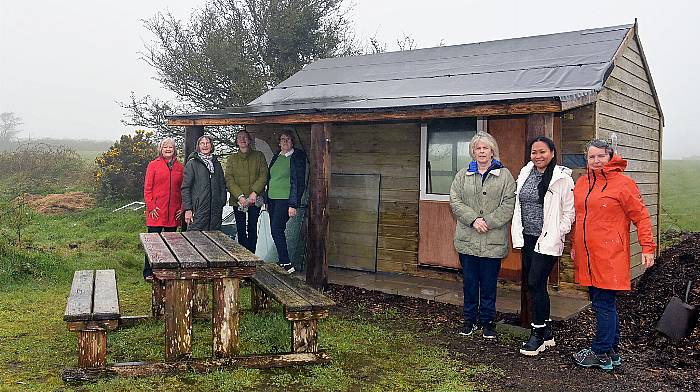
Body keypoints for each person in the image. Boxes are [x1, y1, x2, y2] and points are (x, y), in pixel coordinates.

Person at [571, 139, 656, 370]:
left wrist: (648, 247)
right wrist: (575, 246)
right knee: (604, 303)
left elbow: (641, 216)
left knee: (603, 304)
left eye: (601, 156)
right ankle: (611, 351)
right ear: (586, 159)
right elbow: (579, 219)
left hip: (610, 254)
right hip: (588, 254)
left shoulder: (623, 184)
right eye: (592, 157)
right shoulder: (582, 182)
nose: (596, 161)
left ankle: (599, 352)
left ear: (610, 157)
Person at [511, 136, 575, 356]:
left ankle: (536, 334)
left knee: (535, 281)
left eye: (542, 152)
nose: (538, 156)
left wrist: (560, 231)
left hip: (547, 239)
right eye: (534, 152)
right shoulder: (525, 173)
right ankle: (547, 332)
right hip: (528, 238)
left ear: (552, 153)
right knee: (536, 285)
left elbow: (569, 211)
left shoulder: (562, 179)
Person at [450, 131, 516, 339]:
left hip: (492, 241)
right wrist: (473, 219)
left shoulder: (505, 175)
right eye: (477, 148)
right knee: (469, 284)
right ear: (473, 151)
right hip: (467, 240)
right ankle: (469, 321)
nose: (481, 151)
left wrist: (488, 221)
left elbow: (509, 204)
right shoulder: (463, 175)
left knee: (488, 285)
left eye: (485, 148)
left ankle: (487, 322)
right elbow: (455, 200)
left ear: (492, 151)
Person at [143, 138, 184, 280]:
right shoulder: (153, 165)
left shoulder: (180, 167)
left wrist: (182, 208)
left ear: (174, 150)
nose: (168, 149)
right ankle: (148, 271)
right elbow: (147, 189)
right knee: (153, 243)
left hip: (173, 211)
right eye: (165, 147)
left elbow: (184, 189)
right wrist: (151, 206)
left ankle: (167, 271)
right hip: (156, 211)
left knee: (171, 243)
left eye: (170, 147)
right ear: (160, 149)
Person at [266, 130, 307, 273]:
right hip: (272, 198)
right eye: (282, 139)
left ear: (292, 142)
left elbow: (298, 182)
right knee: (277, 230)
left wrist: (293, 204)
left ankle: (286, 263)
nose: (285, 142)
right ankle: (283, 261)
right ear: (279, 142)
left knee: (276, 229)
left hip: (285, 200)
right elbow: (270, 178)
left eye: (288, 139)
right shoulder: (277, 156)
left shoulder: (296, 157)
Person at [225, 130, 268, 252]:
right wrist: (239, 196)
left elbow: (264, 175)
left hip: (255, 199)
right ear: (236, 141)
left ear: (249, 140)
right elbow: (229, 179)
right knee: (240, 229)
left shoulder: (259, 156)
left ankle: (252, 256)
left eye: (245, 137)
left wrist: (255, 192)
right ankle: (243, 258)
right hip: (238, 201)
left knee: (253, 228)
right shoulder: (232, 159)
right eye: (239, 138)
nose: (242, 140)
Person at [182, 135, 227, 231]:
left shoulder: (216, 164)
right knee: (195, 241)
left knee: (214, 241)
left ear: (211, 146)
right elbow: (186, 188)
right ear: (198, 146)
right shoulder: (192, 164)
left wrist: (221, 201)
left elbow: (222, 185)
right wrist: (188, 209)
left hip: (215, 212)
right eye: (202, 143)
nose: (205, 145)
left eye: (207, 143)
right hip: (198, 211)